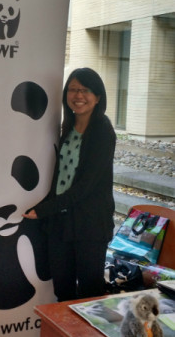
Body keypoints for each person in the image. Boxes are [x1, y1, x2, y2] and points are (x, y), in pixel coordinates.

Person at [23, 67, 116, 302]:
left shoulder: (103, 131)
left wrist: (44, 209)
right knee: (62, 290)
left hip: (90, 223)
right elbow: (58, 179)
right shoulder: (66, 128)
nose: (78, 95)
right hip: (61, 223)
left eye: (85, 90)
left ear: (98, 97)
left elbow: (86, 186)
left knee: (89, 292)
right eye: (73, 89)